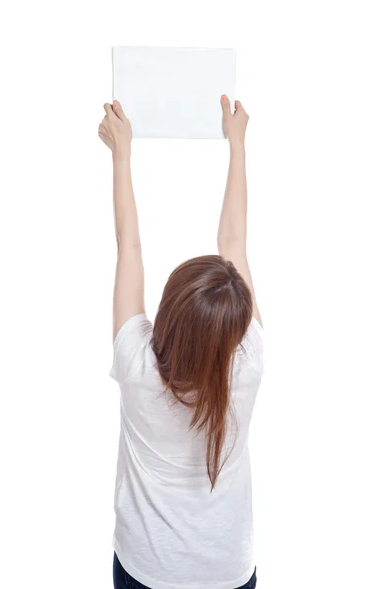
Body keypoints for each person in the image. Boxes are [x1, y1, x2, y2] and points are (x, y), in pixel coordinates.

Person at [98, 95, 264, 589]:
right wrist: (237, 145)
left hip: (147, 570)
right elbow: (235, 243)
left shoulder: (137, 366)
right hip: (227, 572)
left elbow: (129, 245)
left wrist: (121, 155)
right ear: (236, 328)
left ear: (166, 313)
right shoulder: (250, 362)